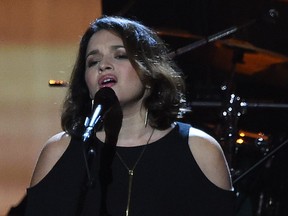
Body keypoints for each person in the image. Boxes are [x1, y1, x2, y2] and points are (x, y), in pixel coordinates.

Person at [24, 15, 235, 216]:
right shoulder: (59, 152)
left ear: (150, 72)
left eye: (120, 55)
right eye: (93, 62)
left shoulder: (200, 150)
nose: (103, 65)